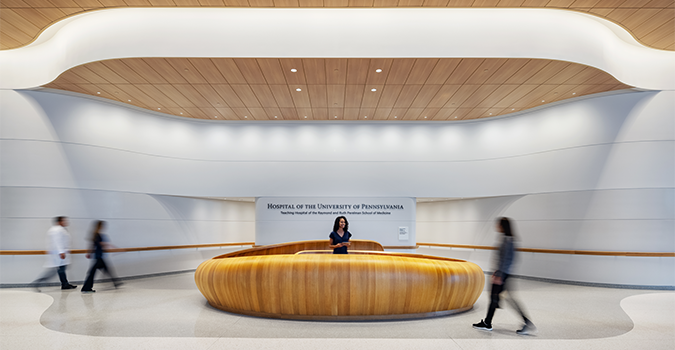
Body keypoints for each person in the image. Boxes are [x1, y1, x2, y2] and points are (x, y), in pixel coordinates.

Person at [473, 217, 536, 335]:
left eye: (498, 224)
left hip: (503, 275)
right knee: (497, 298)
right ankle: (488, 322)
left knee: (497, 298)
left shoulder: (507, 240)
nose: (496, 226)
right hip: (504, 274)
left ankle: (489, 323)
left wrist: (499, 275)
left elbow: (506, 260)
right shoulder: (508, 239)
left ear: (502, 226)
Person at [32, 216, 76, 291]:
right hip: (58, 254)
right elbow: (58, 241)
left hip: (58, 254)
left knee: (61, 269)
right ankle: (38, 282)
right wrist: (61, 252)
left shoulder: (58, 229)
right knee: (55, 271)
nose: (65, 222)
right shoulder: (56, 230)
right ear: (59, 221)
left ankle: (65, 284)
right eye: (63, 221)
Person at [81, 220, 122, 293]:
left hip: (98, 256)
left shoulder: (95, 234)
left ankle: (116, 282)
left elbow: (92, 245)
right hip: (98, 256)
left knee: (105, 270)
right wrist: (112, 246)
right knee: (93, 272)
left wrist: (89, 253)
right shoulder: (97, 235)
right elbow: (100, 244)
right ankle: (86, 288)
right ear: (100, 226)